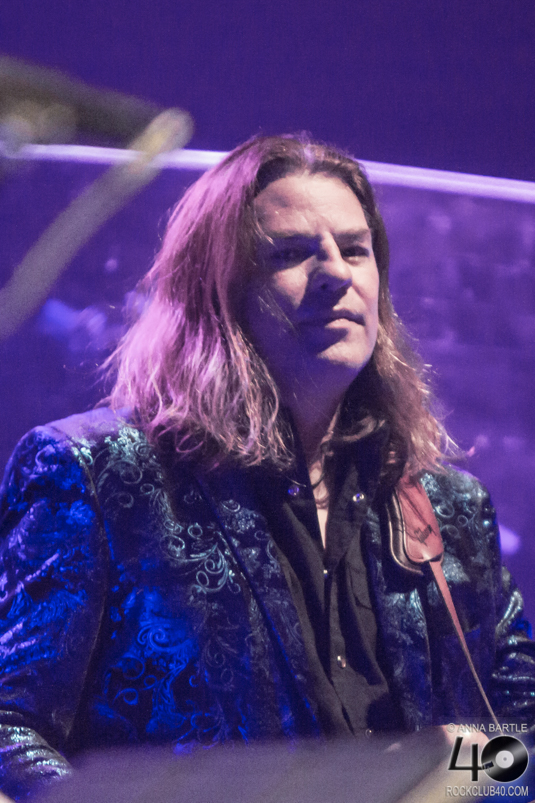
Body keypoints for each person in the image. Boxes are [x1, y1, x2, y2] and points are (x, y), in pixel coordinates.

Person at [0, 134, 534, 801]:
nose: (336, 273)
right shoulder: (95, 473)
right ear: (216, 291)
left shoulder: (450, 509)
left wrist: (450, 777)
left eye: (355, 249)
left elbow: (524, 747)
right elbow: (10, 728)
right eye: (289, 253)